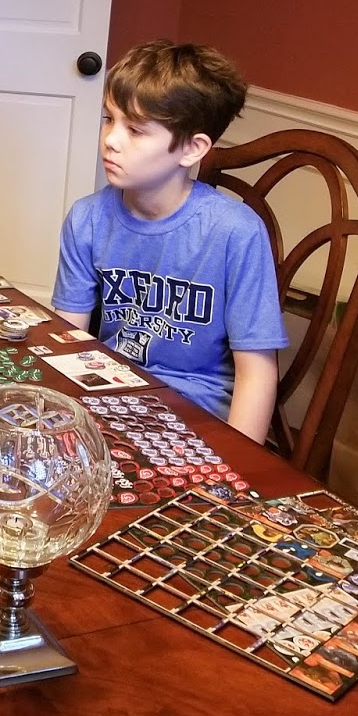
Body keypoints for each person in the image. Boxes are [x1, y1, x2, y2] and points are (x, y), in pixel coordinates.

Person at [50, 40, 287, 443]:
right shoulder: (87, 218)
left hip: (197, 418)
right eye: (109, 119)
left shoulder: (236, 232)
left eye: (135, 130)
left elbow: (257, 372)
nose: (111, 140)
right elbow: (68, 342)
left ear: (192, 149)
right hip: (107, 403)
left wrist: (236, 465)